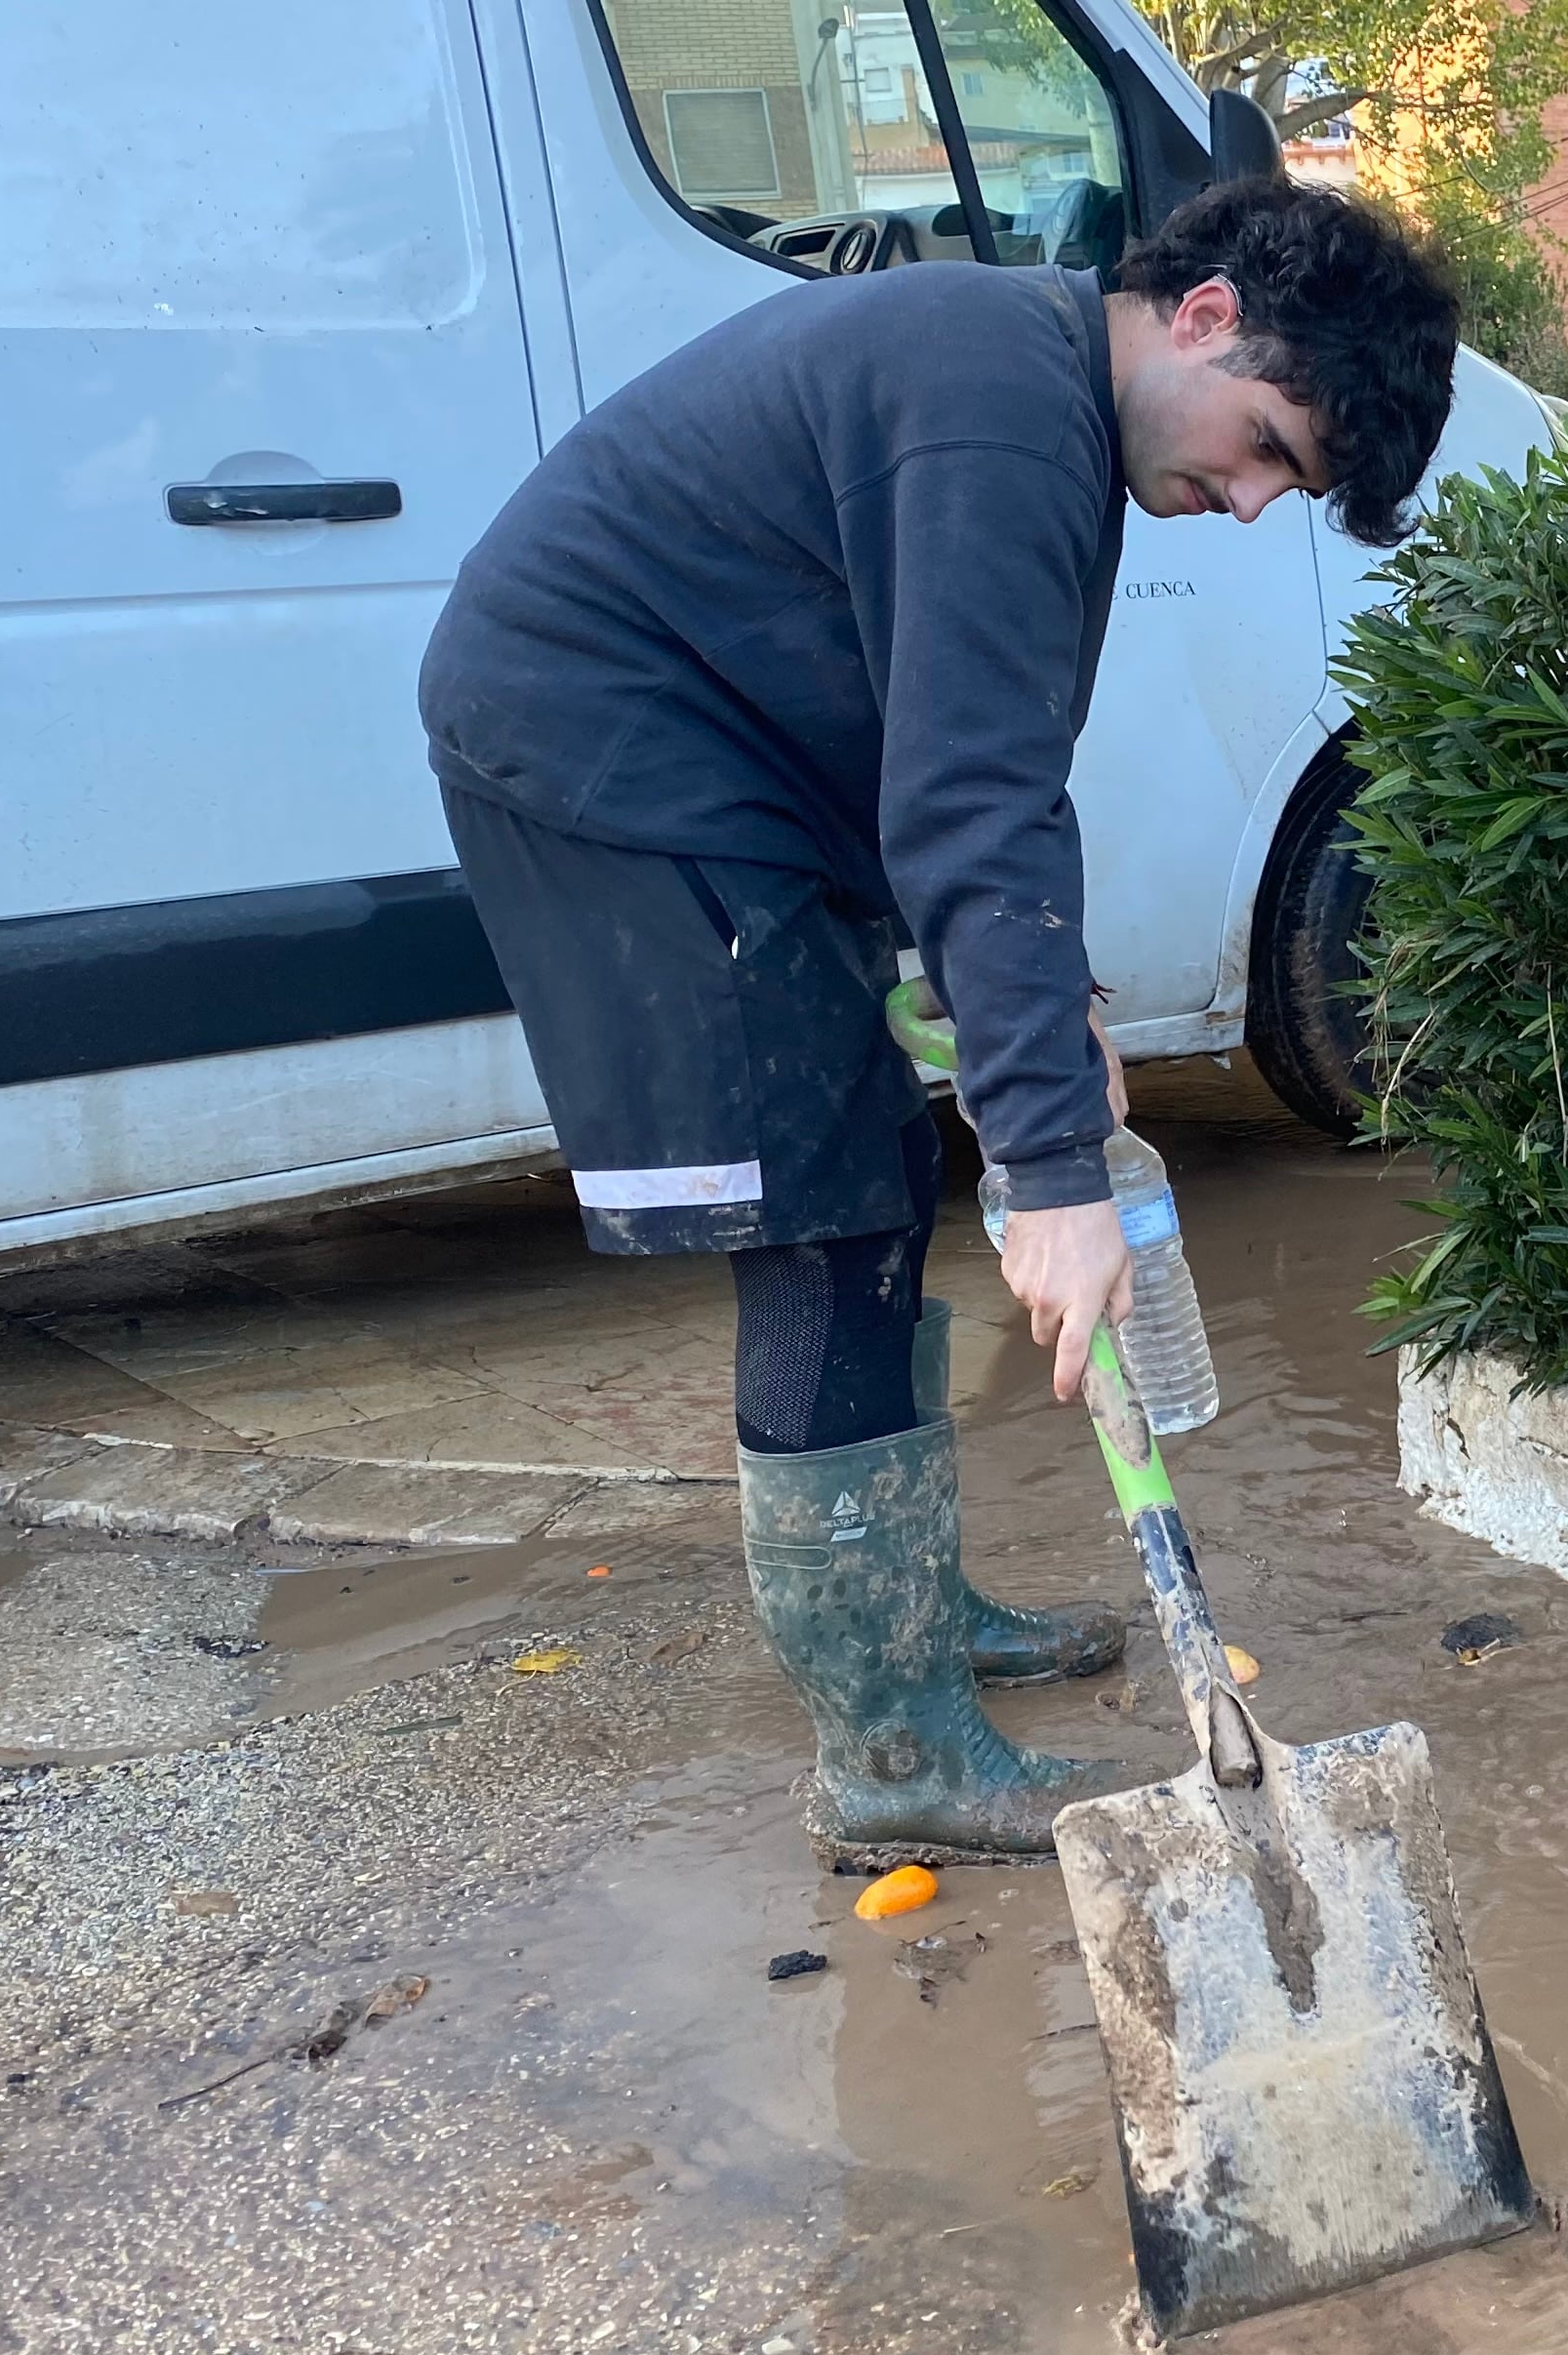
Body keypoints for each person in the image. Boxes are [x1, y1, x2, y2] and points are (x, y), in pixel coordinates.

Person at [416, 176, 1459, 1862]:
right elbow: (974, 795)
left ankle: (905, 1614)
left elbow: (959, 759)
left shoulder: (1034, 394)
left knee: (884, 1177)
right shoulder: (996, 413)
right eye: (1270, 444)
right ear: (1203, 313)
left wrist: (1047, 1022)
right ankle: (890, 1751)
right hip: (621, 759)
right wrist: (1049, 1167)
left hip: (738, 763)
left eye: (1293, 487)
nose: (1256, 505)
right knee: (821, 1214)